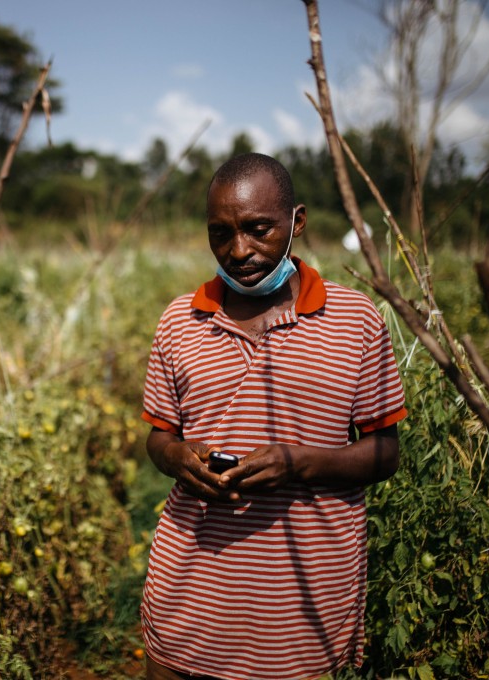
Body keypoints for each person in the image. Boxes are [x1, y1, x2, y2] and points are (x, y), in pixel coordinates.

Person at [140, 152, 407, 680]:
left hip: (302, 604)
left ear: (297, 223)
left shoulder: (355, 320)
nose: (239, 251)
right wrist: (178, 459)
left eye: (258, 230)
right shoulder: (180, 319)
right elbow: (158, 438)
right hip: (190, 588)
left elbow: (385, 453)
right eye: (220, 234)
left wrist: (295, 464)